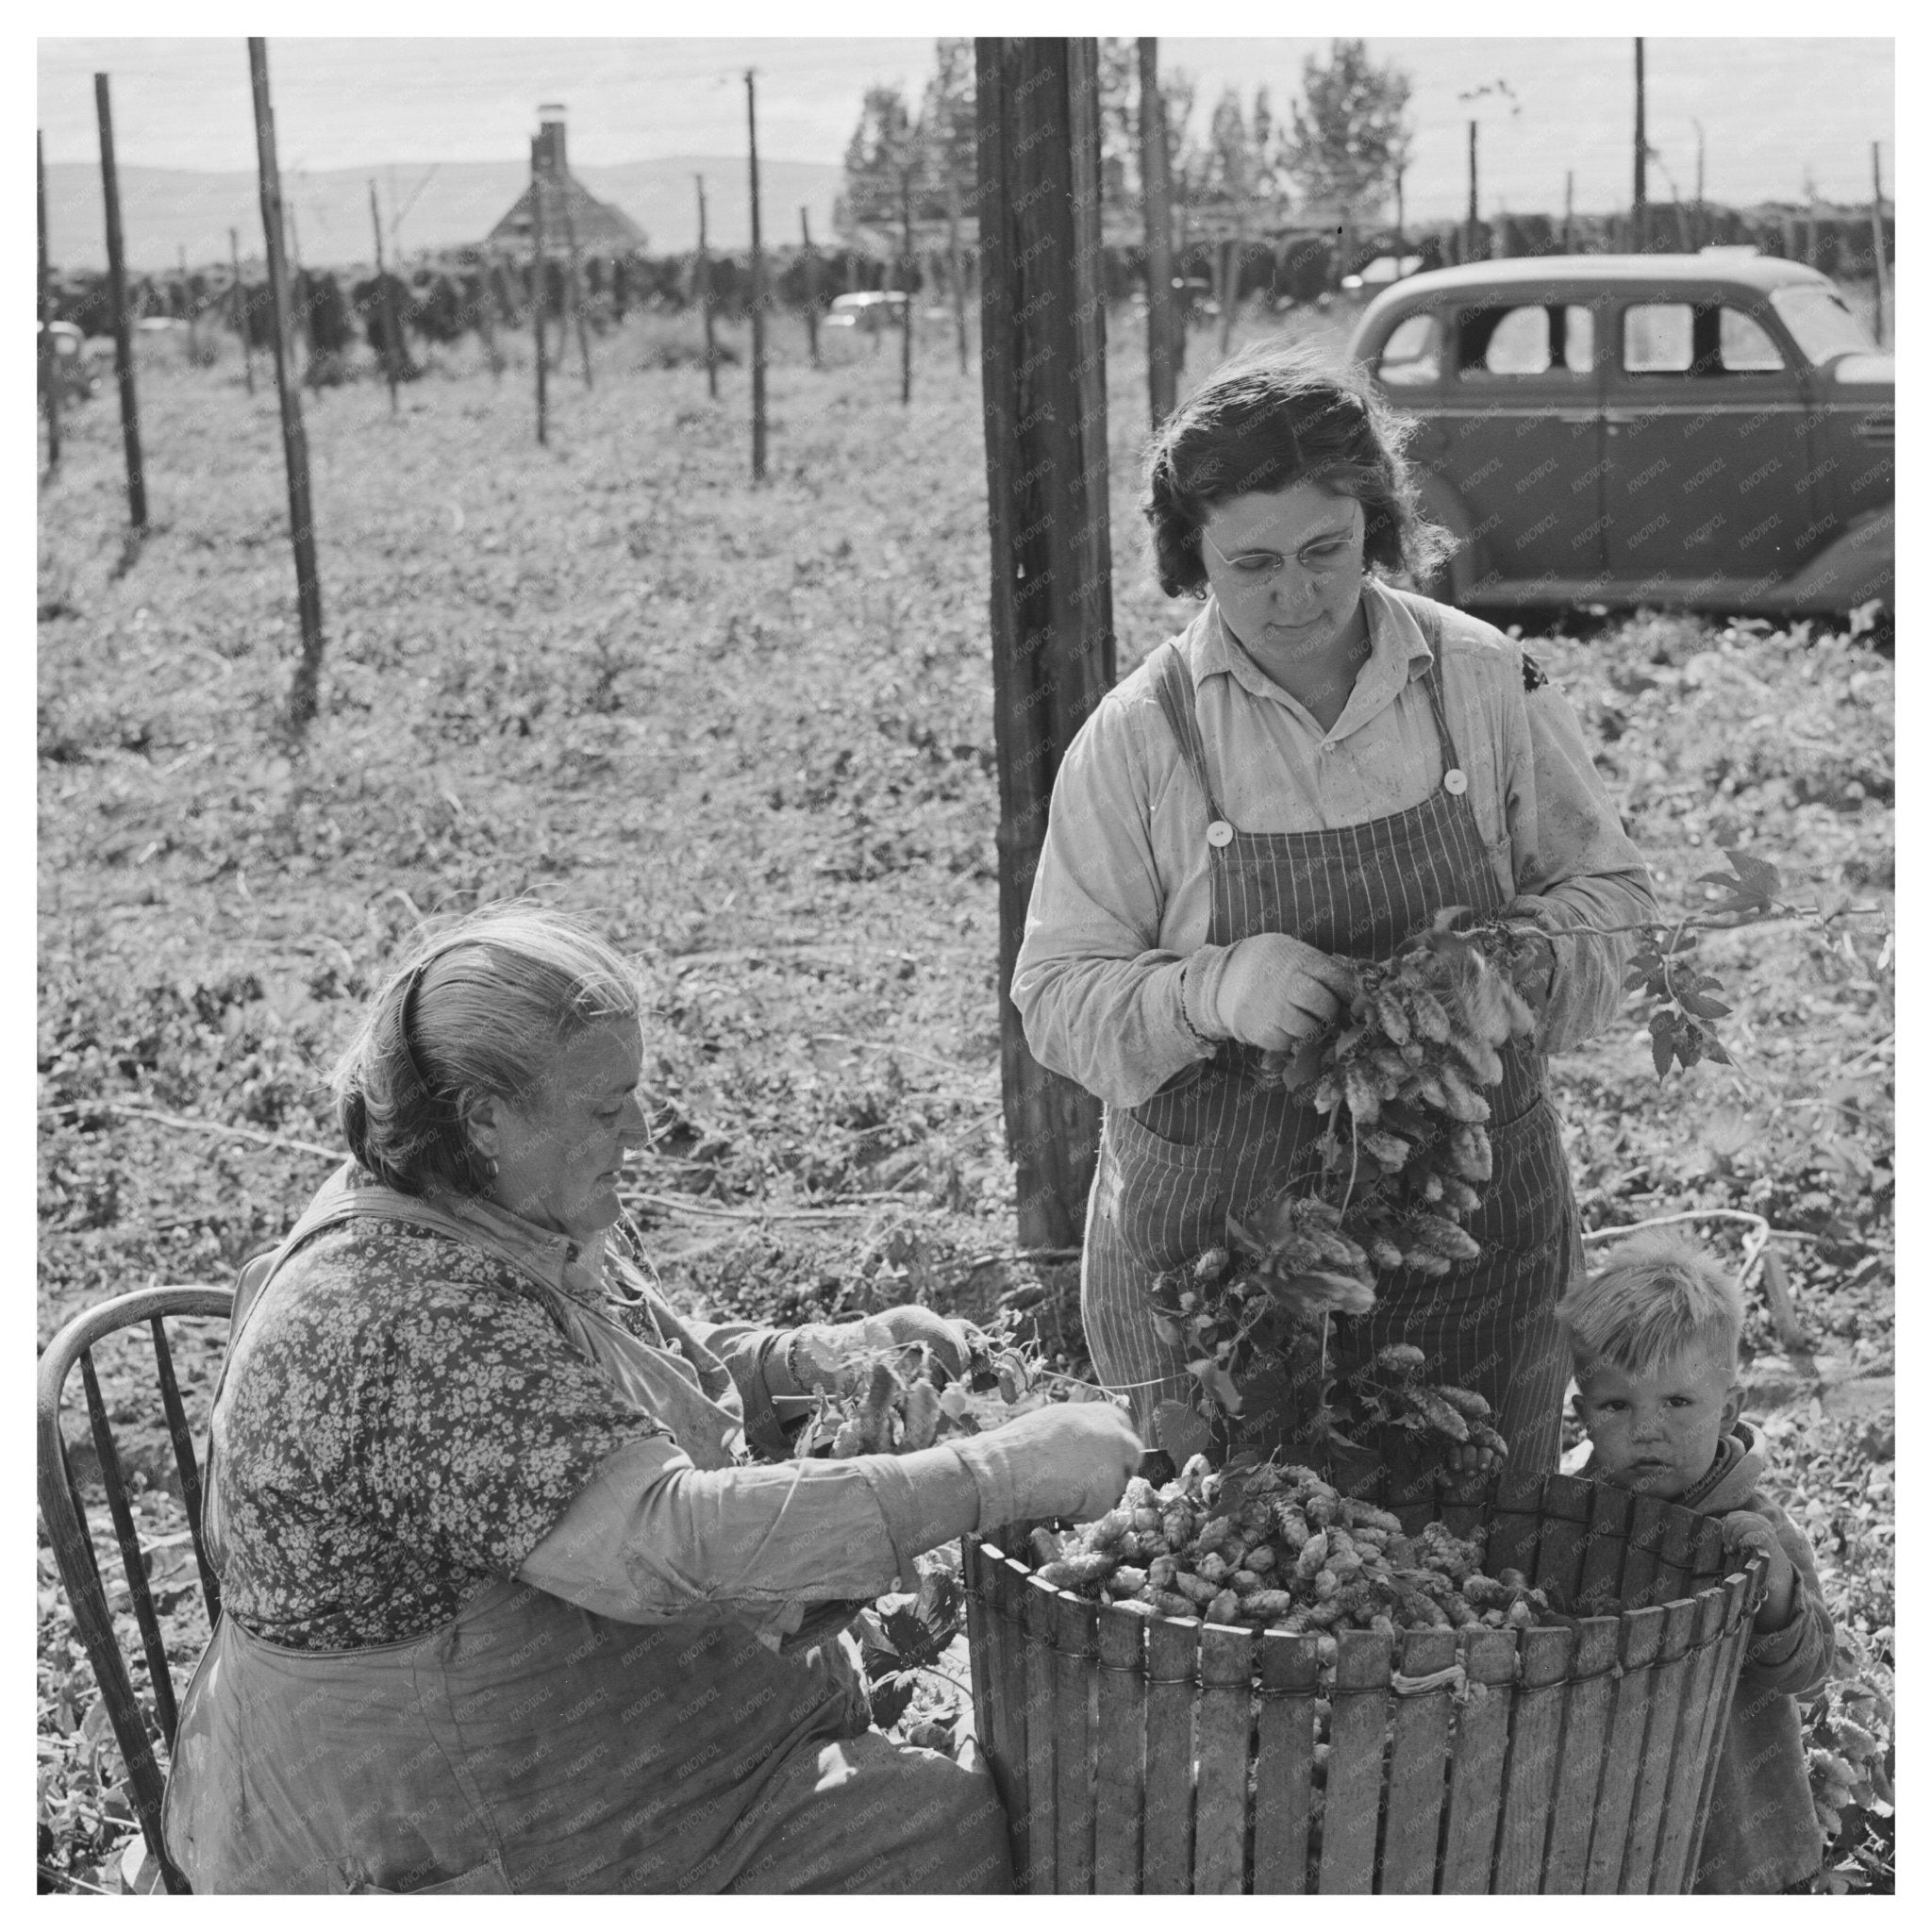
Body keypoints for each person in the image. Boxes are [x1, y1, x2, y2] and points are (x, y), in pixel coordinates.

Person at [162, 905, 1141, 1894]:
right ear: (483, 1115)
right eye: (604, 1108)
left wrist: (818, 1355)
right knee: (939, 1842)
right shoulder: (400, 1313)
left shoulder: (498, 1196)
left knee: (936, 1815)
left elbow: (613, 1380)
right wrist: (991, 1472)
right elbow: (657, 1541)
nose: (639, 1128)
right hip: (439, 1836)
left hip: (562, 1748)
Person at [1011, 341, 1655, 1480]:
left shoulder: (1479, 679)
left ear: (1377, 526)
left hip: (1469, 1230)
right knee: (1235, 1579)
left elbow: (1610, 899)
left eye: (1326, 550)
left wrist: (1515, 962)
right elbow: (1055, 996)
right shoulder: (1139, 735)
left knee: (1467, 1570)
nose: (1296, 595)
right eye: (1250, 563)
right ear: (1188, 556)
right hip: (1221, 1265)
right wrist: (1213, 988)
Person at [1561, 1233, 1834, 1893]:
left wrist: (1770, 1586)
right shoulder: (1567, 1520)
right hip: (1609, 1838)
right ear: (1583, 1416)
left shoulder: (1757, 1530)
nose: (1646, 1430)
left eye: (1678, 1403)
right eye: (1617, 1406)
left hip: (1736, 1839)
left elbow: (1809, 1672)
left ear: (1730, 1409)